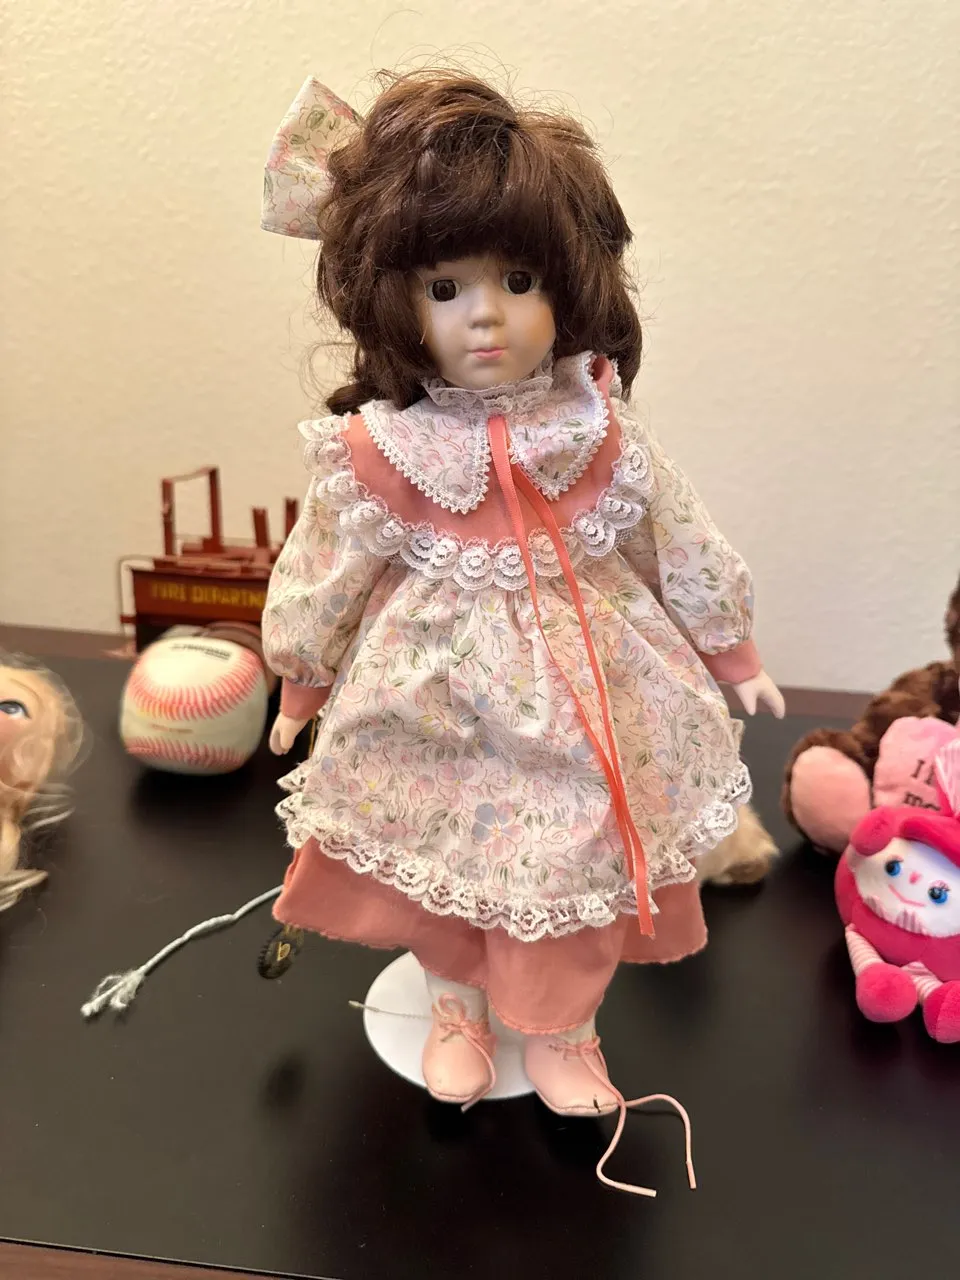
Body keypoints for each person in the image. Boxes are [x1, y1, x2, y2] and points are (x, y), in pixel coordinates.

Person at [260, 70, 784, 1132]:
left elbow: (674, 534)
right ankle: (457, 1006)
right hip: (432, 697)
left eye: (517, 278)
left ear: (571, 286)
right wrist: (300, 681)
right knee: (439, 851)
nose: (486, 314)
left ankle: (559, 1026)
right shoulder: (385, 449)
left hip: (587, 695)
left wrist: (733, 650)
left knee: (573, 852)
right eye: (445, 288)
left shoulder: (595, 431)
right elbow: (328, 567)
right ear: (397, 302)